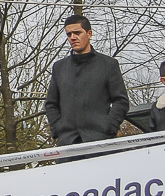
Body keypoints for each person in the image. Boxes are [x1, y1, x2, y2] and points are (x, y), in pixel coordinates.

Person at [44, 15, 130, 145]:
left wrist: (109, 126)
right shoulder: (59, 67)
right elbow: (51, 104)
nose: (72, 37)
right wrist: (58, 129)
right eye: (69, 34)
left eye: (77, 33)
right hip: (67, 142)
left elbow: (121, 101)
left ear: (89, 33)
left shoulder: (108, 64)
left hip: (101, 142)